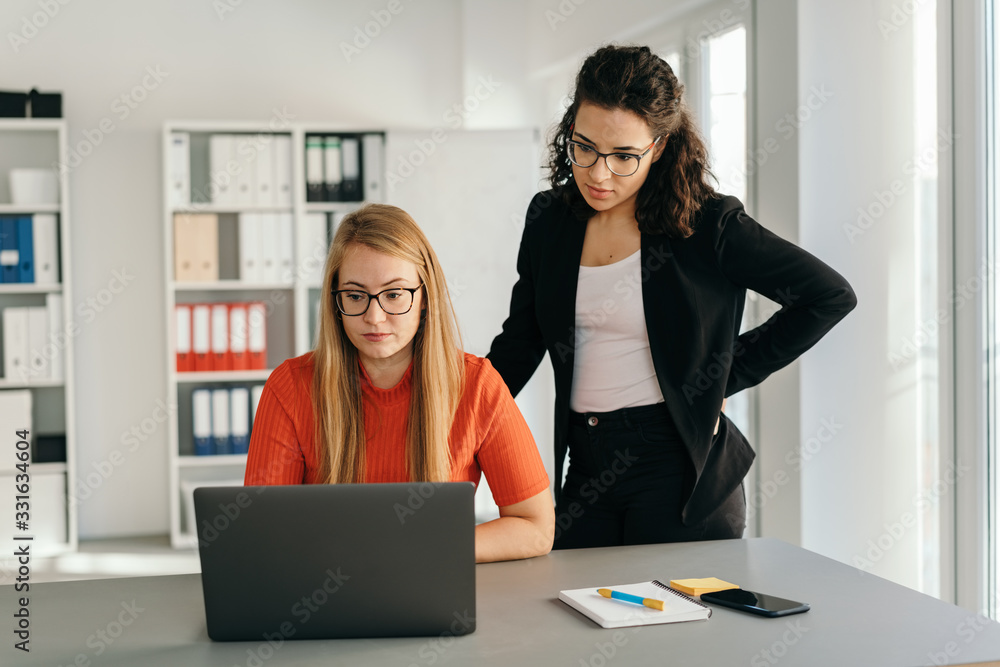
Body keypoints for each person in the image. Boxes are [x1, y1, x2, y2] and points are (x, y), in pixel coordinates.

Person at [487, 44, 857, 549]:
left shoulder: (707, 224)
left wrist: (718, 375)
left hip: (678, 467)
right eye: (585, 147)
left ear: (659, 147)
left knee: (673, 624)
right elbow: (520, 343)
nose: (598, 173)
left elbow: (828, 296)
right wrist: (457, 420)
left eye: (624, 157)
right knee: (571, 616)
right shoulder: (550, 218)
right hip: (586, 463)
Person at [245, 204, 554, 563]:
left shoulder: (478, 384)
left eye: (393, 295)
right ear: (335, 301)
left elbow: (535, 527)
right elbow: (262, 532)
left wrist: (417, 550)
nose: (374, 318)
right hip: (325, 591)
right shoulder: (290, 387)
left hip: (434, 587)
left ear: (424, 297)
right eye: (356, 296)